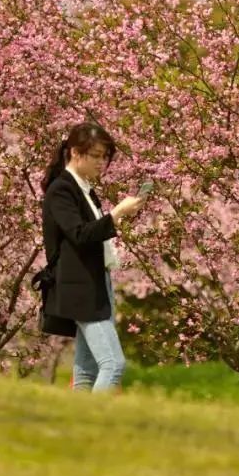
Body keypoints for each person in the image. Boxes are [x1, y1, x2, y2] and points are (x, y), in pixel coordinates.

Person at [40, 122, 146, 392]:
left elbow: (91, 234)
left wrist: (117, 217)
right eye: (96, 156)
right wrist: (117, 213)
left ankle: (77, 426)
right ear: (76, 153)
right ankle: (96, 423)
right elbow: (79, 234)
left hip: (97, 282)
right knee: (113, 364)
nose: (102, 163)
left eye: (105, 157)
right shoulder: (62, 189)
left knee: (85, 370)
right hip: (81, 289)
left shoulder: (85, 189)